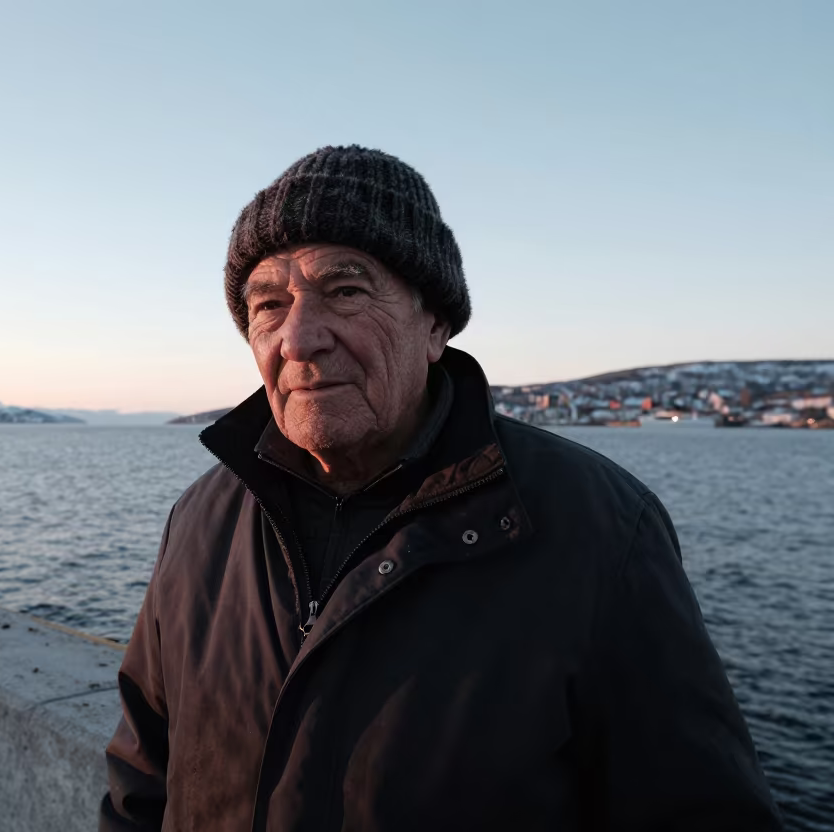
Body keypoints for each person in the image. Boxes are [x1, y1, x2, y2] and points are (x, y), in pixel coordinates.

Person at [100, 145, 781, 830]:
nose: (300, 339)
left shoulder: (600, 529)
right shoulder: (200, 521)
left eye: (345, 290)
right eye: (268, 305)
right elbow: (141, 786)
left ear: (435, 325)